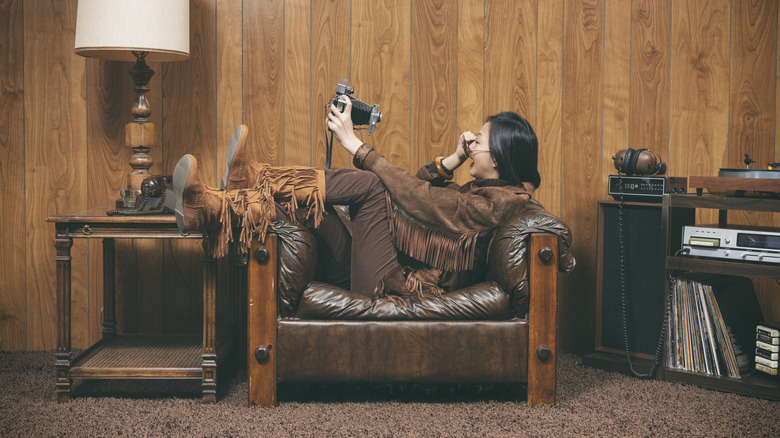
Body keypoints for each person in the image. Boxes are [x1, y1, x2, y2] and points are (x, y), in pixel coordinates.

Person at [173, 97, 539, 305]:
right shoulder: (483, 194)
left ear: (500, 156)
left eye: (479, 141)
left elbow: (421, 201)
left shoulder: (502, 204)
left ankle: (257, 176)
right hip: (374, 269)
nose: (472, 143)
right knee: (308, 209)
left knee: (368, 185)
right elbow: (421, 193)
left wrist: (356, 146)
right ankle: (211, 209)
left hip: (394, 286)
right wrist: (453, 159)